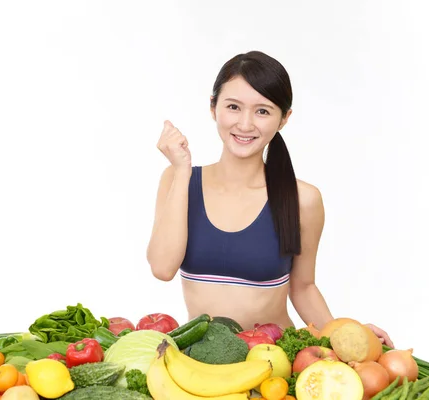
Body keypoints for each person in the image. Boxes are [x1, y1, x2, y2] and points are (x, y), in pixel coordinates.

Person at [146, 50, 394, 348]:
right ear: (213, 108)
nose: (246, 124)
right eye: (233, 107)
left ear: (284, 118)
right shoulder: (177, 179)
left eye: (263, 111)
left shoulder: (303, 199)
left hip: (275, 359)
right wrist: (182, 168)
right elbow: (162, 268)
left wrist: (347, 336)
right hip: (202, 360)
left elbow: (303, 287)